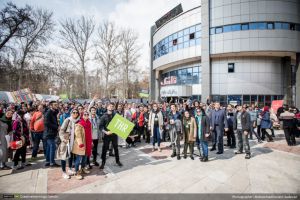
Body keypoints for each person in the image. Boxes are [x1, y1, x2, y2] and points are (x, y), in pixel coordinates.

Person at [56, 109, 80, 179]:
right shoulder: (68, 120)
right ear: (71, 113)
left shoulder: (78, 121)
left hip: (73, 141)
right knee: (64, 156)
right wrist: (63, 139)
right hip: (66, 141)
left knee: (71, 155)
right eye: (73, 112)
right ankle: (63, 172)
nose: (75, 114)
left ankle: (69, 169)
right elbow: (61, 131)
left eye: (76, 112)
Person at [99, 102, 123, 170]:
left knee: (116, 148)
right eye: (110, 106)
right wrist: (105, 132)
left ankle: (117, 161)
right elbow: (100, 127)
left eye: (112, 106)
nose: (111, 107)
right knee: (105, 149)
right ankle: (103, 163)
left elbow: (119, 124)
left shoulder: (116, 115)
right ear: (107, 107)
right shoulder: (103, 116)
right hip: (107, 135)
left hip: (114, 135)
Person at [72, 110, 91, 180]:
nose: (86, 115)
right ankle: (77, 172)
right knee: (78, 159)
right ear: (82, 116)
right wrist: (80, 144)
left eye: (87, 114)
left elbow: (90, 134)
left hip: (87, 144)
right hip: (81, 145)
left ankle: (82, 168)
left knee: (85, 158)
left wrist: (91, 142)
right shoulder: (79, 124)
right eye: (84, 114)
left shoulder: (89, 123)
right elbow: (78, 135)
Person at [44, 101, 60, 167]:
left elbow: (57, 111)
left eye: (57, 104)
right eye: (55, 105)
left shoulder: (53, 112)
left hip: (52, 132)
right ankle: (52, 162)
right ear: (51, 106)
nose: (56, 106)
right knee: (52, 147)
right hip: (49, 133)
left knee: (48, 147)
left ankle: (48, 161)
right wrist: (56, 127)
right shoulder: (48, 112)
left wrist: (55, 109)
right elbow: (46, 123)